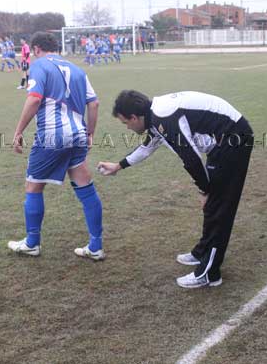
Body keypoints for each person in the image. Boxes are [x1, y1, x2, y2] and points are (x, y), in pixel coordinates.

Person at [97, 90, 253, 288]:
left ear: (134, 117)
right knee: (213, 205)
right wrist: (118, 166)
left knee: (219, 208)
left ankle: (210, 273)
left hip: (233, 140)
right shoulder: (155, 117)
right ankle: (202, 253)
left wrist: (205, 190)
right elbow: (147, 147)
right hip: (222, 143)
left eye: (125, 123)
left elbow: (191, 158)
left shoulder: (164, 116)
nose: (127, 127)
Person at [7, 32, 104, 260]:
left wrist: (18, 131)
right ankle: (96, 246)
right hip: (78, 135)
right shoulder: (77, 69)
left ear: (36, 49)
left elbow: (34, 98)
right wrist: (90, 133)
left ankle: (32, 243)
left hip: (52, 136)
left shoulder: (40, 65)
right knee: (85, 187)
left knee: (33, 186)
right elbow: (94, 103)